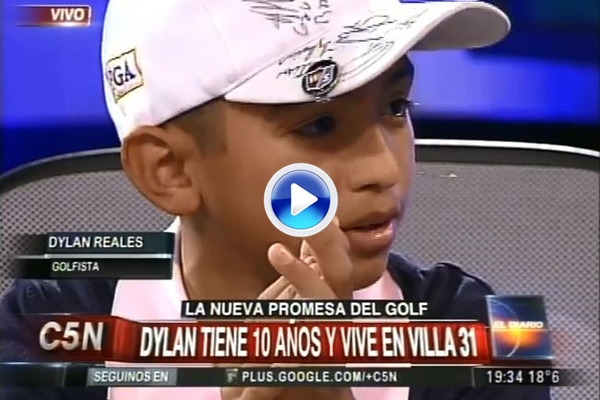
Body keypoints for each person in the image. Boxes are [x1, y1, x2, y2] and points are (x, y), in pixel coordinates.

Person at [0, 0, 552, 399]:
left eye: (395, 107)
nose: (385, 170)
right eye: (318, 125)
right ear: (168, 170)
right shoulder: (43, 327)